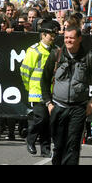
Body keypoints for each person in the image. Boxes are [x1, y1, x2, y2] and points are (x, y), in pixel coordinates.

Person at [40, 26, 92, 165]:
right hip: (58, 107)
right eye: (66, 38)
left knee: (73, 144)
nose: (68, 41)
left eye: (71, 38)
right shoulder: (56, 55)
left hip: (78, 108)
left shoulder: (89, 57)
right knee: (59, 145)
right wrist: (48, 103)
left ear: (79, 39)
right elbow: (44, 81)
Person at [20, 20, 59, 158]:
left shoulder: (56, 50)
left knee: (48, 122)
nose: (53, 38)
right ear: (43, 35)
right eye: (50, 35)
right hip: (37, 91)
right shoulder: (34, 50)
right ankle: (30, 138)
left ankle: (45, 149)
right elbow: (25, 71)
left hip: (51, 92)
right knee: (40, 119)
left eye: (54, 35)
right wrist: (28, 87)